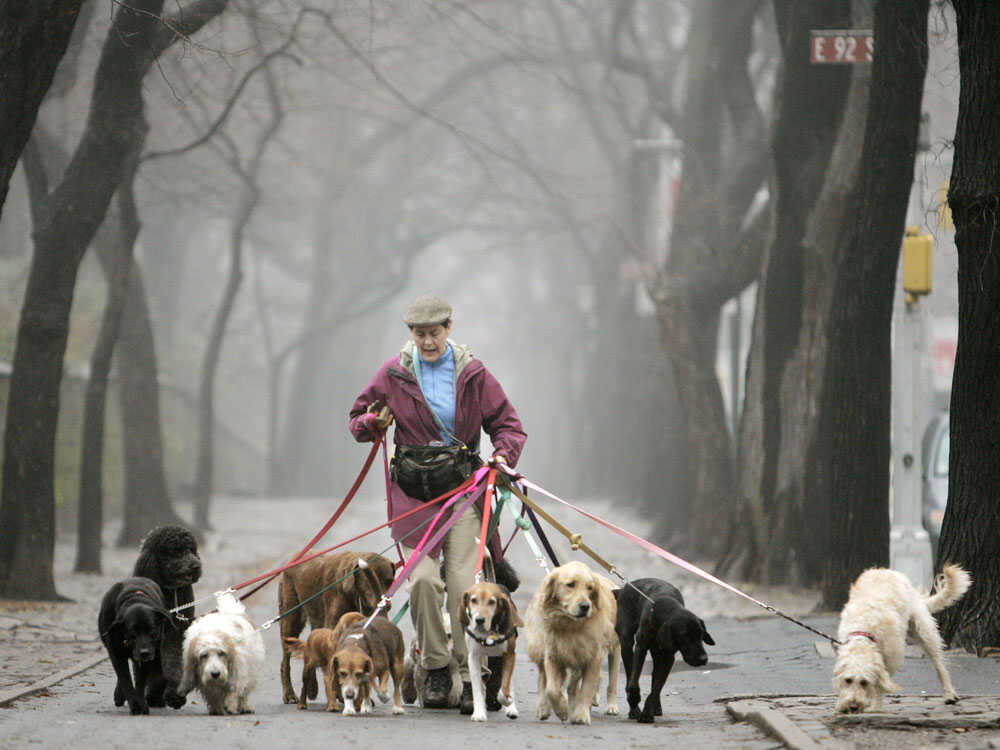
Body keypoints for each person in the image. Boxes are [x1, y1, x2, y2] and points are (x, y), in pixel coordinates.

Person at [348, 293, 527, 713]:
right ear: (410, 334)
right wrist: (373, 421)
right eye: (419, 333)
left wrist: (502, 456)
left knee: (465, 586)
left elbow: (509, 425)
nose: (428, 341)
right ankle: (436, 668)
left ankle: (471, 677)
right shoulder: (393, 374)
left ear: (449, 329)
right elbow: (356, 420)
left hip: (464, 491)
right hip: (413, 496)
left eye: (434, 332)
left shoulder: (473, 372)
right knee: (424, 582)